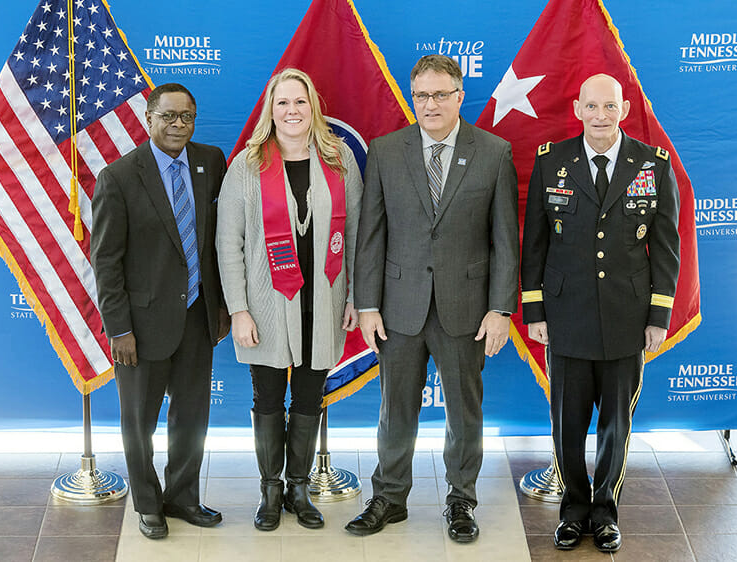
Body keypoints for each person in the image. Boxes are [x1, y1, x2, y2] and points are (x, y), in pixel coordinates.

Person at [347, 54, 519, 543]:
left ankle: (461, 500)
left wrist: (501, 308)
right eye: (421, 95)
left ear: (460, 96)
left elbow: (505, 238)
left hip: (467, 310)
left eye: (440, 94)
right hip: (399, 308)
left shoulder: (493, 151)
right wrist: (367, 304)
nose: (430, 104)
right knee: (395, 409)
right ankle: (390, 496)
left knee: (464, 413)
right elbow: (371, 235)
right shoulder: (385, 150)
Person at [521, 74, 680, 553]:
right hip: (566, 317)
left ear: (624, 109)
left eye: (609, 107)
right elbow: (536, 243)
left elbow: (667, 246)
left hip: (626, 318)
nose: (600, 116)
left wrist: (658, 316)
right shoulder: (553, 164)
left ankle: (606, 511)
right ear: (577, 109)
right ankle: (573, 511)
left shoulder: (652, 165)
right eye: (591, 106)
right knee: (566, 425)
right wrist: (534, 309)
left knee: (617, 425)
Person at [216, 68, 362, 531]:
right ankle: (270, 491)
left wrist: (355, 297)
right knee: (268, 397)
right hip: (265, 302)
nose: (292, 111)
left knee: (308, 395)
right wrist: (239, 309)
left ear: (312, 107)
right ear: (271, 110)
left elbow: (358, 237)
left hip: (323, 301)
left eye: (300, 102)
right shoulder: (247, 164)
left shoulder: (339, 161)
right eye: (283, 103)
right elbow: (228, 242)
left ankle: (298, 489)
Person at [91, 83, 230, 539]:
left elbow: (218, 244)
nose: (178, 125)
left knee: (192, 416)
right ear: (148, 119)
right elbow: (106, 262)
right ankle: (148, 504)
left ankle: (183, 497)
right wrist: (119, 329)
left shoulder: (212, 162)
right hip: (141, 326)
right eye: (168, 116)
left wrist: (223, 308)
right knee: (139, 422)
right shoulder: (119, 177)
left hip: (197, 316)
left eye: (186, 116)